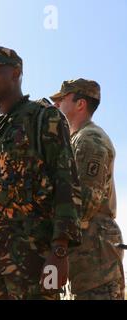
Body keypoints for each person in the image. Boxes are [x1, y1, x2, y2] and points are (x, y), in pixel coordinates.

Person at [0, 45, 82, 299]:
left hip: (33, 258)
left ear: (15, 72)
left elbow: (66, 183)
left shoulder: (44, 117)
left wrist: (60, 250)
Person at [50, 79, 125, 300]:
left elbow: (84, 202)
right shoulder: (75, 140)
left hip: (94, 253)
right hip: (83, 250)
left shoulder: (90, 139)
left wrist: (54, 239)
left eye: (61, 100)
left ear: (80, 104)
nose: (56, 106)